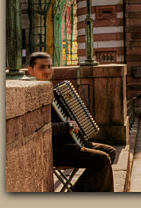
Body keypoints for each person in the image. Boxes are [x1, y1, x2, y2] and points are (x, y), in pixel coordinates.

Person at [26, 51, 116, 192]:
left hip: (69, 142)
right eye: (42, 67)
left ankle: (78, 190)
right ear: (30, 70)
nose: (47, 70)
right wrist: (67, 125)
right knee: (102, 160)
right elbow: (41, 128)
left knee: (109, 151)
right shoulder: (31, 95)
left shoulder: (51, 90)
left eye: (49, 66)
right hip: (54, 150)